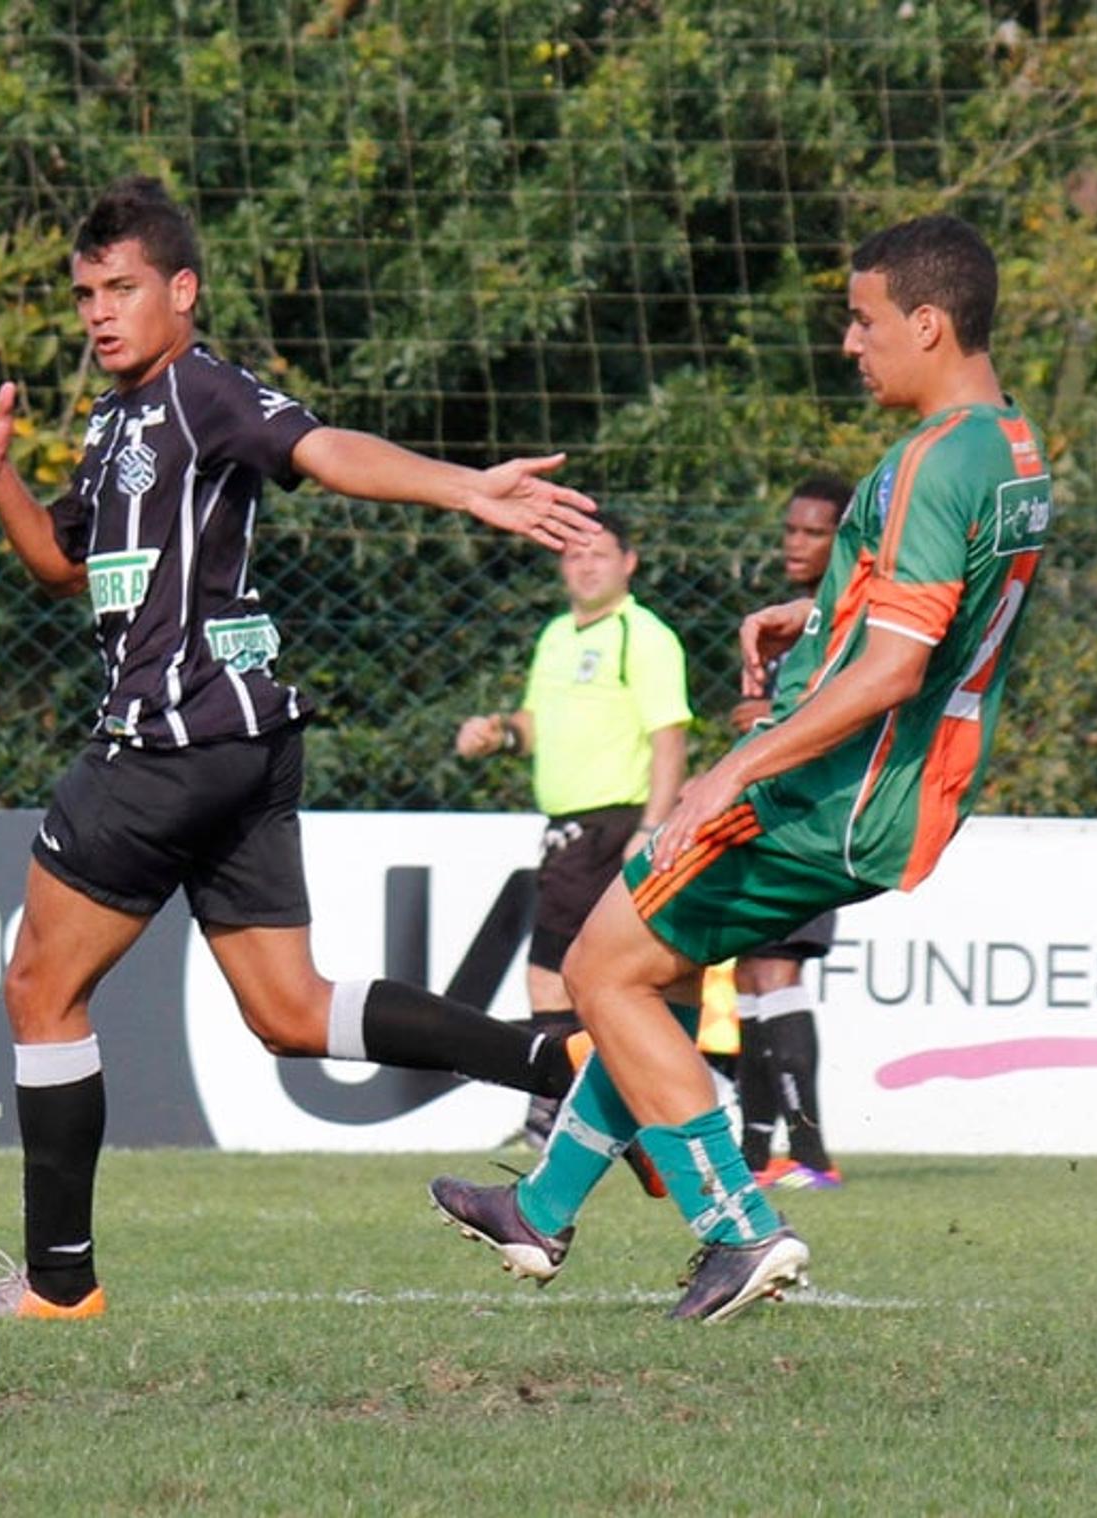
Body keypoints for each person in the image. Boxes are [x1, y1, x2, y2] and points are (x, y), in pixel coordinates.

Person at [0, 177, 603, 1319]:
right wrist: (0, 477)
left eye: (124, 289)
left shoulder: (203, 391)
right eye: (87, 294)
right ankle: (554, 1067)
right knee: (290, 1011)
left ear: (181, 292)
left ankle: (59, 1286)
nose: (100, 313)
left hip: (166, 740)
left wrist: (463, 489)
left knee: (40, 989)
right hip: (242, 742)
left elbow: (323, 447)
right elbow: (63, 564)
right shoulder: (113, 421)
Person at [431, 213, 1055, 1322]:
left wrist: (731, 771)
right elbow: (939, 617)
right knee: (647, 976)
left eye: (864, 323)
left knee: (598, 970)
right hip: (902, 790)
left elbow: (891, 673)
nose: (850, 345)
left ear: (928, 320)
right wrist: (821, 614)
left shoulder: (926, 461)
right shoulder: (1009, 447)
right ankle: (542, 1208)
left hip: (827, 791)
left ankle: (740, 1229)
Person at [453, 510, 690, 1162]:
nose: (585, 566)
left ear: (629, 562)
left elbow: (670, 736)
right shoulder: (557, 635)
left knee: (555, 980)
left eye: (599, 555)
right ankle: (599, 1119)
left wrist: (650, 825)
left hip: (611, 822)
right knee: (581, 982)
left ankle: (553, 1120)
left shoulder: (641, 636)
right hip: (566, 828)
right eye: (574, 555)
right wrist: (499, 731)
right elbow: (535, 722)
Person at [727, 475, 853, 1191]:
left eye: (813, 532)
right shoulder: (781, 625)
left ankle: (811, 1154)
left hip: (811, 822)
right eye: (790, 531)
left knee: (778, 972)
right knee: (750, 976)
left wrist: (770, 721)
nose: (795, 544)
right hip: (762, 816)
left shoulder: (848, 621)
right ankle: (755, 1154)